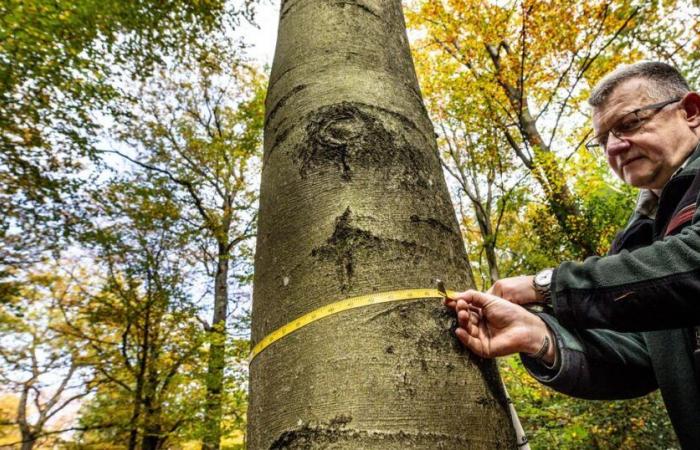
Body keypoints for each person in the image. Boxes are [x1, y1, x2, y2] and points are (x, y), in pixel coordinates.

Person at [444, 61, 700, 448]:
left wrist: (547, 285)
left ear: (692, 112)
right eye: (603, 139)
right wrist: (539, 336)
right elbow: (641, 359)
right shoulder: (642, 235)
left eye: (630, 123)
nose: (614, 146)